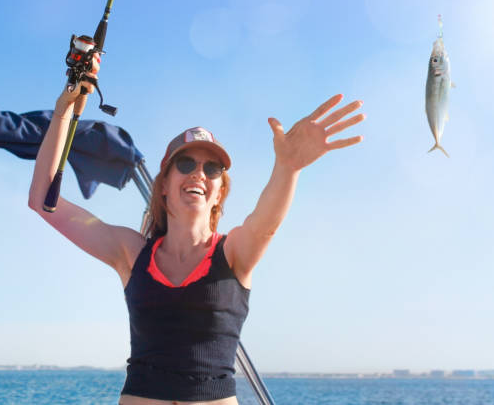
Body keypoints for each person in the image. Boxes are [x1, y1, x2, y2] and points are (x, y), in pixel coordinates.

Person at [28, 56, 365, 405]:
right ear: (163, 185)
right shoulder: (130, 252)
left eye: (213, 168)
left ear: (220, 191)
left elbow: (266, 225)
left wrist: (289, 168)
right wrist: (64, 109)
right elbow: (43, 201)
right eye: (186, 163)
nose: (199, 174)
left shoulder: (235, 252)